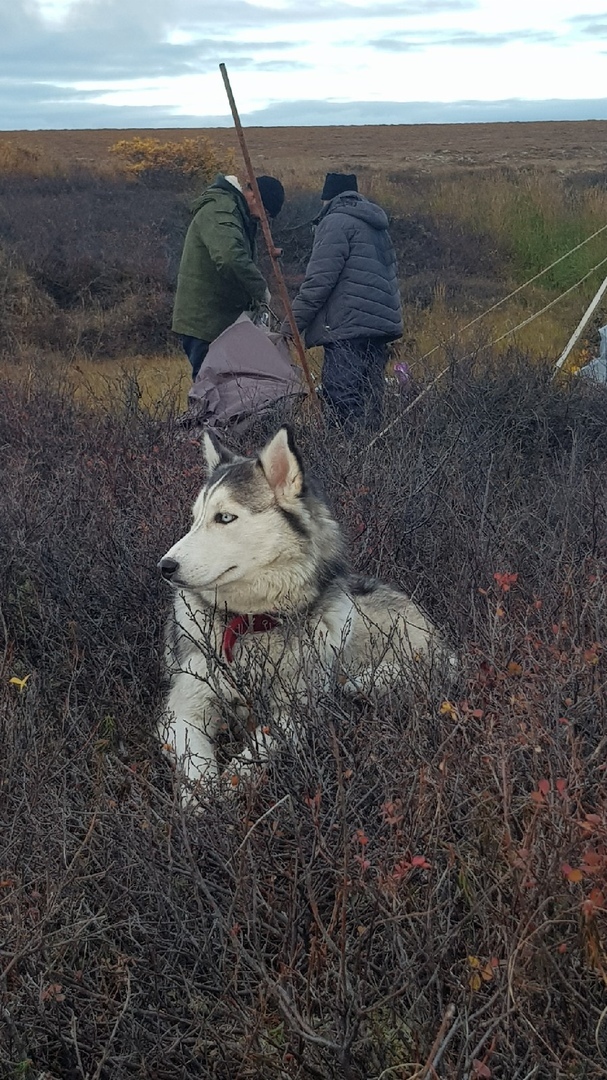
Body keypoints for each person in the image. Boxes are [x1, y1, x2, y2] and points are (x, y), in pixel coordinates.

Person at [288, 172, 402, 429]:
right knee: (371, 396)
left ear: (327, 199)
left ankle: (347, 457)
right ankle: (375, 455)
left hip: (347, 327)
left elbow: (319, 281)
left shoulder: (335, 222)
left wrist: (291, 325)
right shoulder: (376, 223)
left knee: (341, 394)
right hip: (379, 325)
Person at [172, 173, 285, 387]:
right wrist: (261, 290)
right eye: (266, 213)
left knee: (224, 390)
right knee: (209, 390)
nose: (263, 221)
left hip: (218, 319)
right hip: (206, 322)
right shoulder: (222, 209)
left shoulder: (235, 213)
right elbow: (230, 258)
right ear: (254, 198)